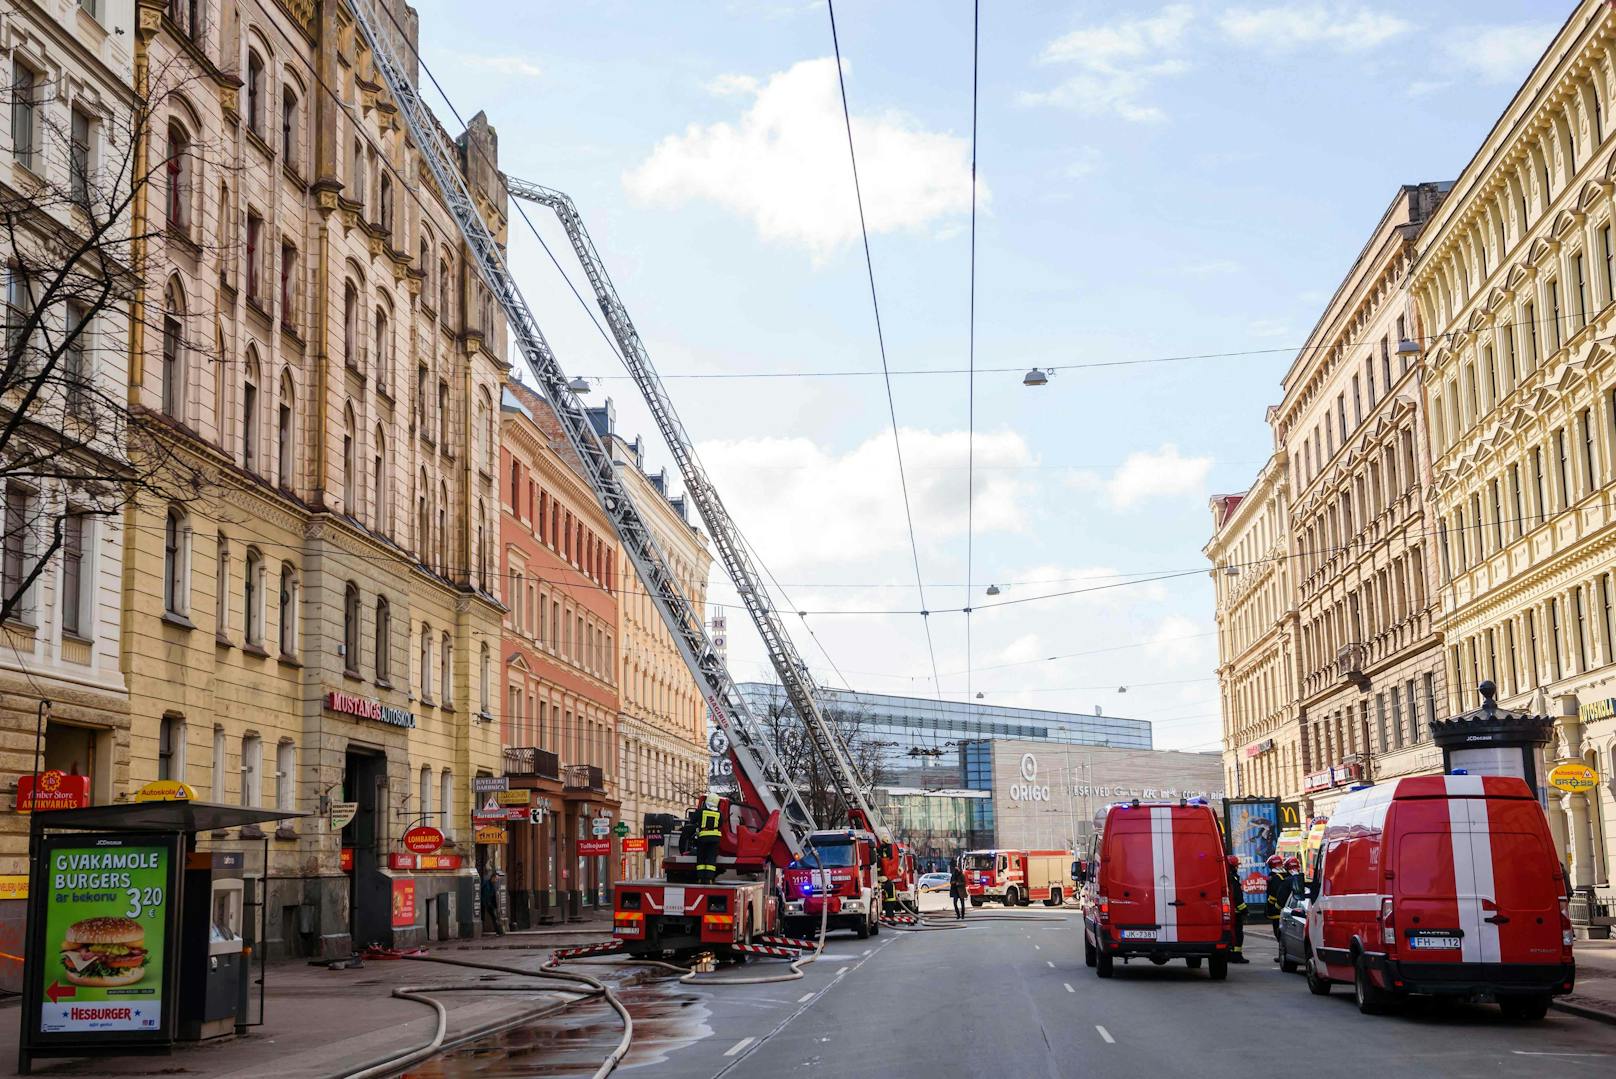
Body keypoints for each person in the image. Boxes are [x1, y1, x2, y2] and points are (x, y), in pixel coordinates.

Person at [1265, 853, 1292, 959]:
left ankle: (1283, 955)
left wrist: (1271, 908)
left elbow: (1273, 894)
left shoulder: (1275, 878)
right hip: (1287, 908)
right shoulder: (1286, 875)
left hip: (1277, 911)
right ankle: (1284, 954)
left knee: (1279, 934)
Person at [1225, 855, 1249, 963]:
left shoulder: (1227, 876)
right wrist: (1244, 910)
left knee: (1231, 933)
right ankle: (1237, 955)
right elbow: (1237, 897)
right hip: (1236, 913)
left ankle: (1230, 954)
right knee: (1238, 934)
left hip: (1230, 911)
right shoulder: (1233, 878)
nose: (1237, 867)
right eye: (1236, 866)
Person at [695, 793, 723, 885]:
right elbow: (720, 824)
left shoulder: (701, 811)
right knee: (711, 858)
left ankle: (700, 878)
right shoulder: (719, 814)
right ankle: (709, 879)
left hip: (703, 837)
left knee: (701, 858)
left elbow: (693, 821)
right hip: (715, 838)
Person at [481, 867, 504, 936]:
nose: (496, 880)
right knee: (493, 917)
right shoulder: (487, 885)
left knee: (494, 917)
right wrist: (489, 905)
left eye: (497, 879)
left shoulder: (492, 885)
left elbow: (493, 897)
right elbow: (486, 896)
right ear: (493, 878)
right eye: (496, 879)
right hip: (485, 904)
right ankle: (499, 931)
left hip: (489, 904)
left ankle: (499, 931)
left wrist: (495, 906)